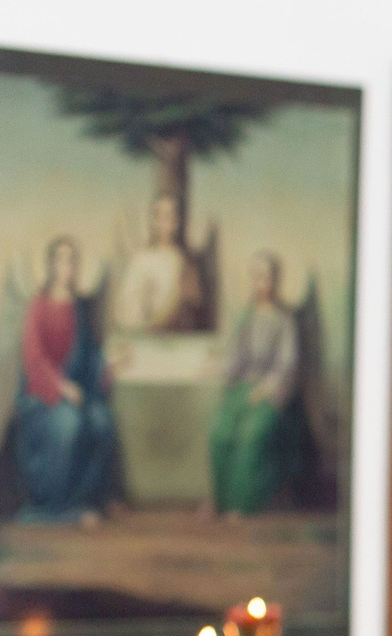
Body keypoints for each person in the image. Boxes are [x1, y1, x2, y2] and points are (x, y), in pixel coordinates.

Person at [11, 236, 119, 525]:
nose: (67, 266)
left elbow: (91, 354)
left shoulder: (81, 307)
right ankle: (56, 507)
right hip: (41, 394)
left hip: (78, 394)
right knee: (67, 423)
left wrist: (109, 365)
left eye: (72, 260)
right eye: (60, 260)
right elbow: (34, 359)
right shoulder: (39, 306)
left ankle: (85, 500)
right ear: (51, 265)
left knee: (102, 421)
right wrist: (61, 387)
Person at [207, 251, 304, 516]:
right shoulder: (246, 316)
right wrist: (219, 369)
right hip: (242, 389)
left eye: (266, 277)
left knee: (250, 436)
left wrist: (264, 389)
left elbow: (287, 365)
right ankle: (220, 500)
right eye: (256, 277)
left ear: (275, 281)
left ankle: (240, 504)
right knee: (220, 433)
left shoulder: (284, 320)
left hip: (272, 394)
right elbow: (236, 359)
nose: (261, 283)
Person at [116, 191, 206, 334]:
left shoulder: (185, 261)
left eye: (170, 216)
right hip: (148, 335)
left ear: (177, 222)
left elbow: (196, 304)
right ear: (154, 221)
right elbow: (128, 304)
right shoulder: (142, 259)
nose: (166, 222)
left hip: (179, 337)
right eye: (161, 216)